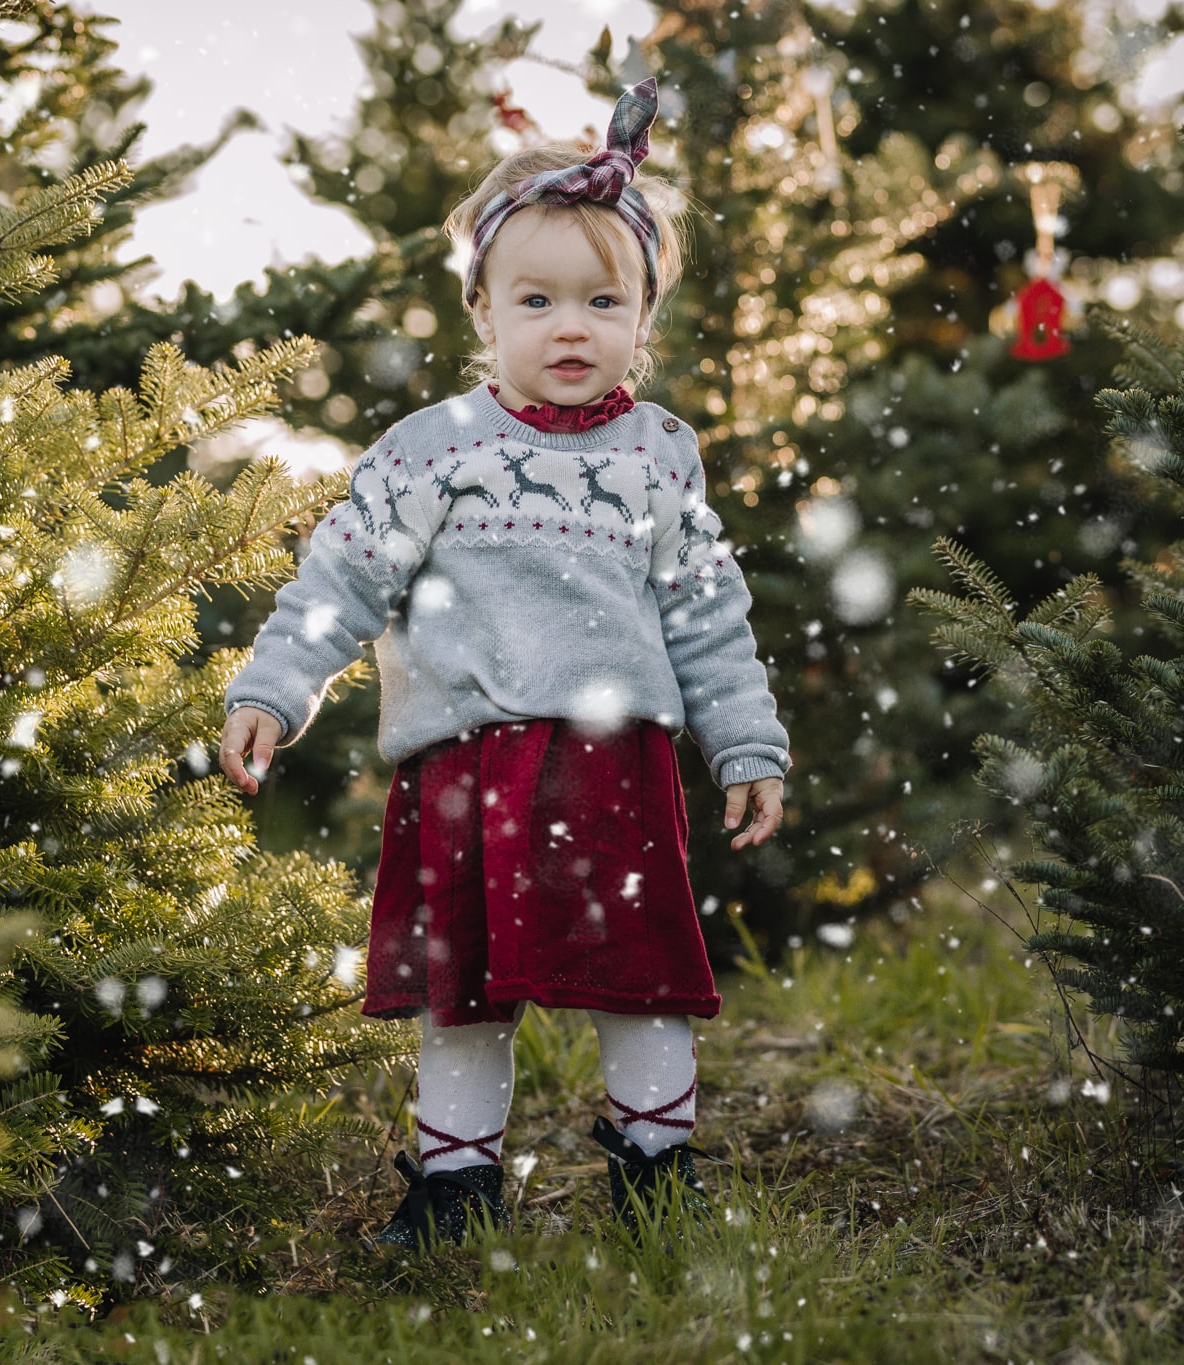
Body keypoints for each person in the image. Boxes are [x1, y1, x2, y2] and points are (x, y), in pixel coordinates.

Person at [216, 79, 789, 1250]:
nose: (567, 326)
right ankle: (453, 1194)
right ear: (481, 310)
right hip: (466, 768)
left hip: (611, 765)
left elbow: (707, 614)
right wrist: (276, 686)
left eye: (600, 300)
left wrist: (743, 740)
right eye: (534, 300)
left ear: (642, 314)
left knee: (642, 980)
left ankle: (656, 1171)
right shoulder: (429, 452)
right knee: (460, 995)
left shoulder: (659, 457)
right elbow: (340, 580)